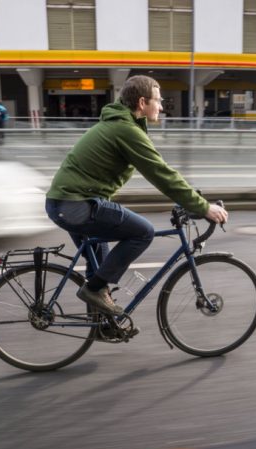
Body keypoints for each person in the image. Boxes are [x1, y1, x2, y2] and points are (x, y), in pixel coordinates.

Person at [45, 75, 228, 315]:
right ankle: (94, 291)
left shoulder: (121, 124)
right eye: (158, 100)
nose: (161, 107)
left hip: (67, 203)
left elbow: (159, 172)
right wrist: (204, 207)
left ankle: (100, 324)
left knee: (100, 264)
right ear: (142, 102)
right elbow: (161, 173)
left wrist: (190, 200)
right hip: (75, 205)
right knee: (143, 232)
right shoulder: (126, 130)